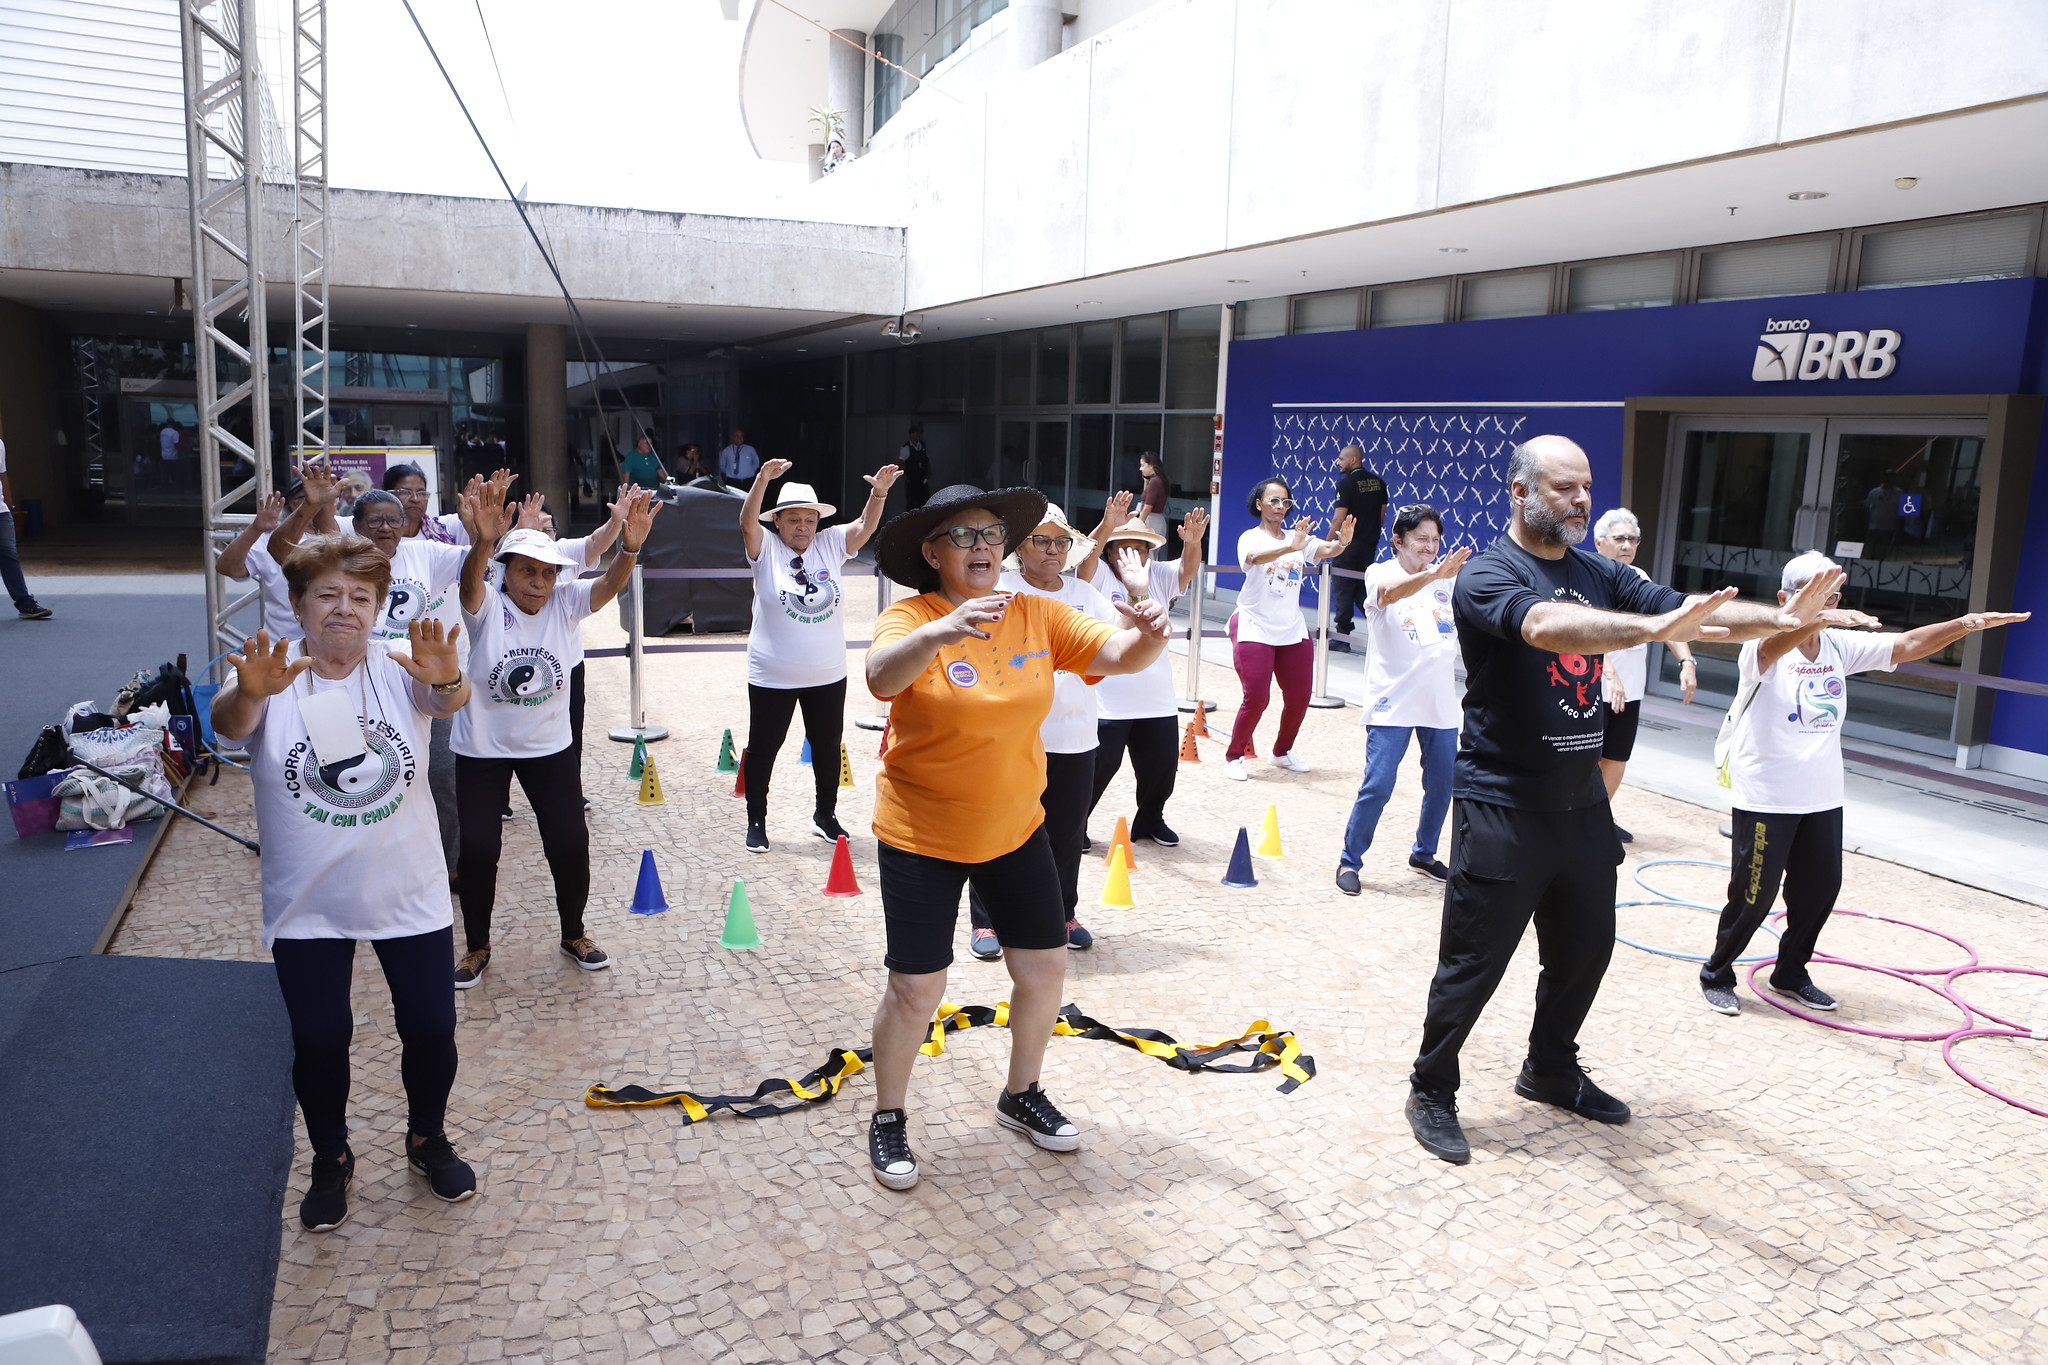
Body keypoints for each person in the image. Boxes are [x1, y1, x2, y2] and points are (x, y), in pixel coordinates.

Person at [1403, 434, 1841, 1166]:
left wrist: (1793, 619)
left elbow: (1703, 614)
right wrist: (1649, 629)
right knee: (1474, 960)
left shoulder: (1599, 571)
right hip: (1503, 803)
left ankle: (1548, 1067)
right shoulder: (1487, 574)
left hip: (1580, 808)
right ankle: (1431, 1085)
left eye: (1586, 488)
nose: (1580, 501)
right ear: (1520, 492)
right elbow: (1543, 626)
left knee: (1585, 954)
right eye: (1564, 488)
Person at [860, 483, 1170, 1190]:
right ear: (932, 551)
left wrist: (1150, 630)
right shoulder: (909, 615)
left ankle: (1020, 1092)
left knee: (1043, 969)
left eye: (992, 533)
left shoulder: (1036, 613)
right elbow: (880, 676)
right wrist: (943, 631)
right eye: (963, 535)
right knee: (916, 988)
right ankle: (888, 1115)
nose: (981, 546)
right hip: (922, 831)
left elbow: (1117, 654)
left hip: (1013, 826)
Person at [208, 537, 478, 1232]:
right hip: (308, 901)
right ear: (299, 604)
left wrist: (447, 678)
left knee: (431, 1026)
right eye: (328, 594)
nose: (344, 609)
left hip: (407, 888)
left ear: (378, 608)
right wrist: (247, 692)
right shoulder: (273, 674)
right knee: (321, 1036)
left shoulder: (396, 668)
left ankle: (426, 1137)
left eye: (361, 597)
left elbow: (445, 698)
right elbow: (229, 723)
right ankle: (331, 1153)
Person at [1698, 553, 2029, 1016]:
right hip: (1767, 794)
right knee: (1755, 895)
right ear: (1783, 598)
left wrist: (1966, 624)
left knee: (1819, 891)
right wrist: (1816, 616)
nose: (1825, 605)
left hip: (1822, 794)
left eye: (1831, 595)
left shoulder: (1837, 646)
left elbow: (1908, 644)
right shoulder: (1762, 644)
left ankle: (1790, 972)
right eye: (1813, 595)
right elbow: (1774, 651)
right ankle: (1717, 971)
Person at [447, 483, 659, 988]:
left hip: (549, 749)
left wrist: (629, 547)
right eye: (526, 571)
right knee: (478, 849)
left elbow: (607, 586)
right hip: (482, 749)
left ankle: (574, 932)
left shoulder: (565, 603)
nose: (538, 582)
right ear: (506, 572)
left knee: (568, 843)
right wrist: (483, 542)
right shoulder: (486, 608)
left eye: (547, 572)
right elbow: (468, 586)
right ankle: (477, 945)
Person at [966, 505, 1117, 961]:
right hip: (1014, 737)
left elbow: (1112, 643)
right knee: (999, 826)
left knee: (1068, 833)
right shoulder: (1001, 591)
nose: (1052, 551)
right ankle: (985, 920)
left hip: (1074, 735)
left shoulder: (1085, 593)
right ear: (1018, 548)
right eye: (1041, 541)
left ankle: (1063, 913)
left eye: (1060, 542)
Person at [738, 458, 898, 852]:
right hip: (773, 674)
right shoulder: (766, 548)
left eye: (809, 520)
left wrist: (879, 493)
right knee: (764, 747)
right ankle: (756, 819)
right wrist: (761, 480)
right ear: (778, 521)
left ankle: (825, 815)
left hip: (827, 672)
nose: (803, 528)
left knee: (828, 746)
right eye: (794, 520)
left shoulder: (829, 543)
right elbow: (746, 523)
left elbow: (865, 527)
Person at [1334, 505, 1470, 896]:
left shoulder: (1449, 581)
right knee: (1378, 784)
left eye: (1435, 540)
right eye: (1421, 539)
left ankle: (1424, 855)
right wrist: (1433, 574)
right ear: (1398, 541)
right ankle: (1349, 859)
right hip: (1392, 701)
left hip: (1440, 702)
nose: (1430, 547)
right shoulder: (1382, 572)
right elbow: (1387, 595)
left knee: (1443, 784)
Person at [1075, 503, 1207, 848]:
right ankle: (1076, 824)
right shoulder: (1101, 574)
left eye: (1141, 548)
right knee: (1099, 768)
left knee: (1161, 770)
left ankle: (1150, 820)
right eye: (1124, 546)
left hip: (1157, 697)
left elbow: (1188, 570)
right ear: (1110, 550)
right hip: (1109, 700)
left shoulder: (1159, 575)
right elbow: (1086, 561)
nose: (1133, 554)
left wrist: (1192, 542)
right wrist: (1106, 526)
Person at [1226, 477, 1352, 780]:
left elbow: (1328, 550)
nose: (1280, 507)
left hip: (1291, 628)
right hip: (1254, 624)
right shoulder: (1250, 537)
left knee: (1298, 696)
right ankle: (1233, 756)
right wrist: (1288, 547)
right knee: (1257, 697)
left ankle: (1281, 752)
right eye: (1273, 500)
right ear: (1259, 504)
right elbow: (1253, 559)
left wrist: (1343, 541)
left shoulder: (1299, 539)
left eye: (1285, 502)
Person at [1591, 508, 1695, 843]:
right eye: (1618, 538)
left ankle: (1597, 819)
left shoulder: (1640, 578)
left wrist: (1687, 662)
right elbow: (1586, 632)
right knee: (1586, 758)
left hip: (1631, 687)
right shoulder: (1589, 576)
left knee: (1616, 755)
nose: (1626, 545)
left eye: (1632, 539)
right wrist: (1609, 672)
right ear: (1598, 542)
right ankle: (1576, 822)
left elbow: (1667, 623)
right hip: (1593, 686)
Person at [217, 482, 337, 642]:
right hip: (282, 648)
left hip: (336, 648)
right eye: (313, 496)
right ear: (295, 504)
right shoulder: (273, 539)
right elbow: (228, 568)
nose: (322, 501)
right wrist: (255, 529)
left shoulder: (350, 528)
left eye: (329, 496)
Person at [1327, 443, 1389, 652]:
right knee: (1362, 590)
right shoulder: (1380, 483)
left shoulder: (1345, 485)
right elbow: (1381, 518)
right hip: (1369, 546)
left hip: (1348, 546)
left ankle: (1342, 637)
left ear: (1353, 460)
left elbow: (1338, 519)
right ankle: (1386, 626)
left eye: (1341, 459)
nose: (1338, 462)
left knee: (1344, 589)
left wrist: (1327, 545)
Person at [0, 435, 52, 620]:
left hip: (1, 511)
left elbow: (2, 476)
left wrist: (10, 506)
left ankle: (25, 603)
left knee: (9, 555)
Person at [384, 463, 466, 545]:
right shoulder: (379, 540)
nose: (415, 499)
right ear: (387, 495)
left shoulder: (442, 530)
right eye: (405, 492)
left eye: (421, 493)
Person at [1136, 452, 1168, 544]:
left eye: (1143, 465)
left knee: (1148, 552)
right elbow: (1145, 497)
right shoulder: (1158, 480)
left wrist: (1138, 524)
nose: (1140, 468)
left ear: (1151, 465)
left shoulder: (1155, 482)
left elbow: (1147, 507)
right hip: (1156, 520)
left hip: (1151, 520)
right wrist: (1146, 481)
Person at [899, 426, 930, 508]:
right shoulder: (906, 447)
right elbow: (902, 462)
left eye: (919, 433)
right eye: (916, 433)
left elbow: (926, 460)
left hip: (922, 478)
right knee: (911, 502)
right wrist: (905, 476)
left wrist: (927, 473)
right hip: (912, 478)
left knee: (923, 500)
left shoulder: (922, 445)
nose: (918, 435)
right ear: (911, 434)